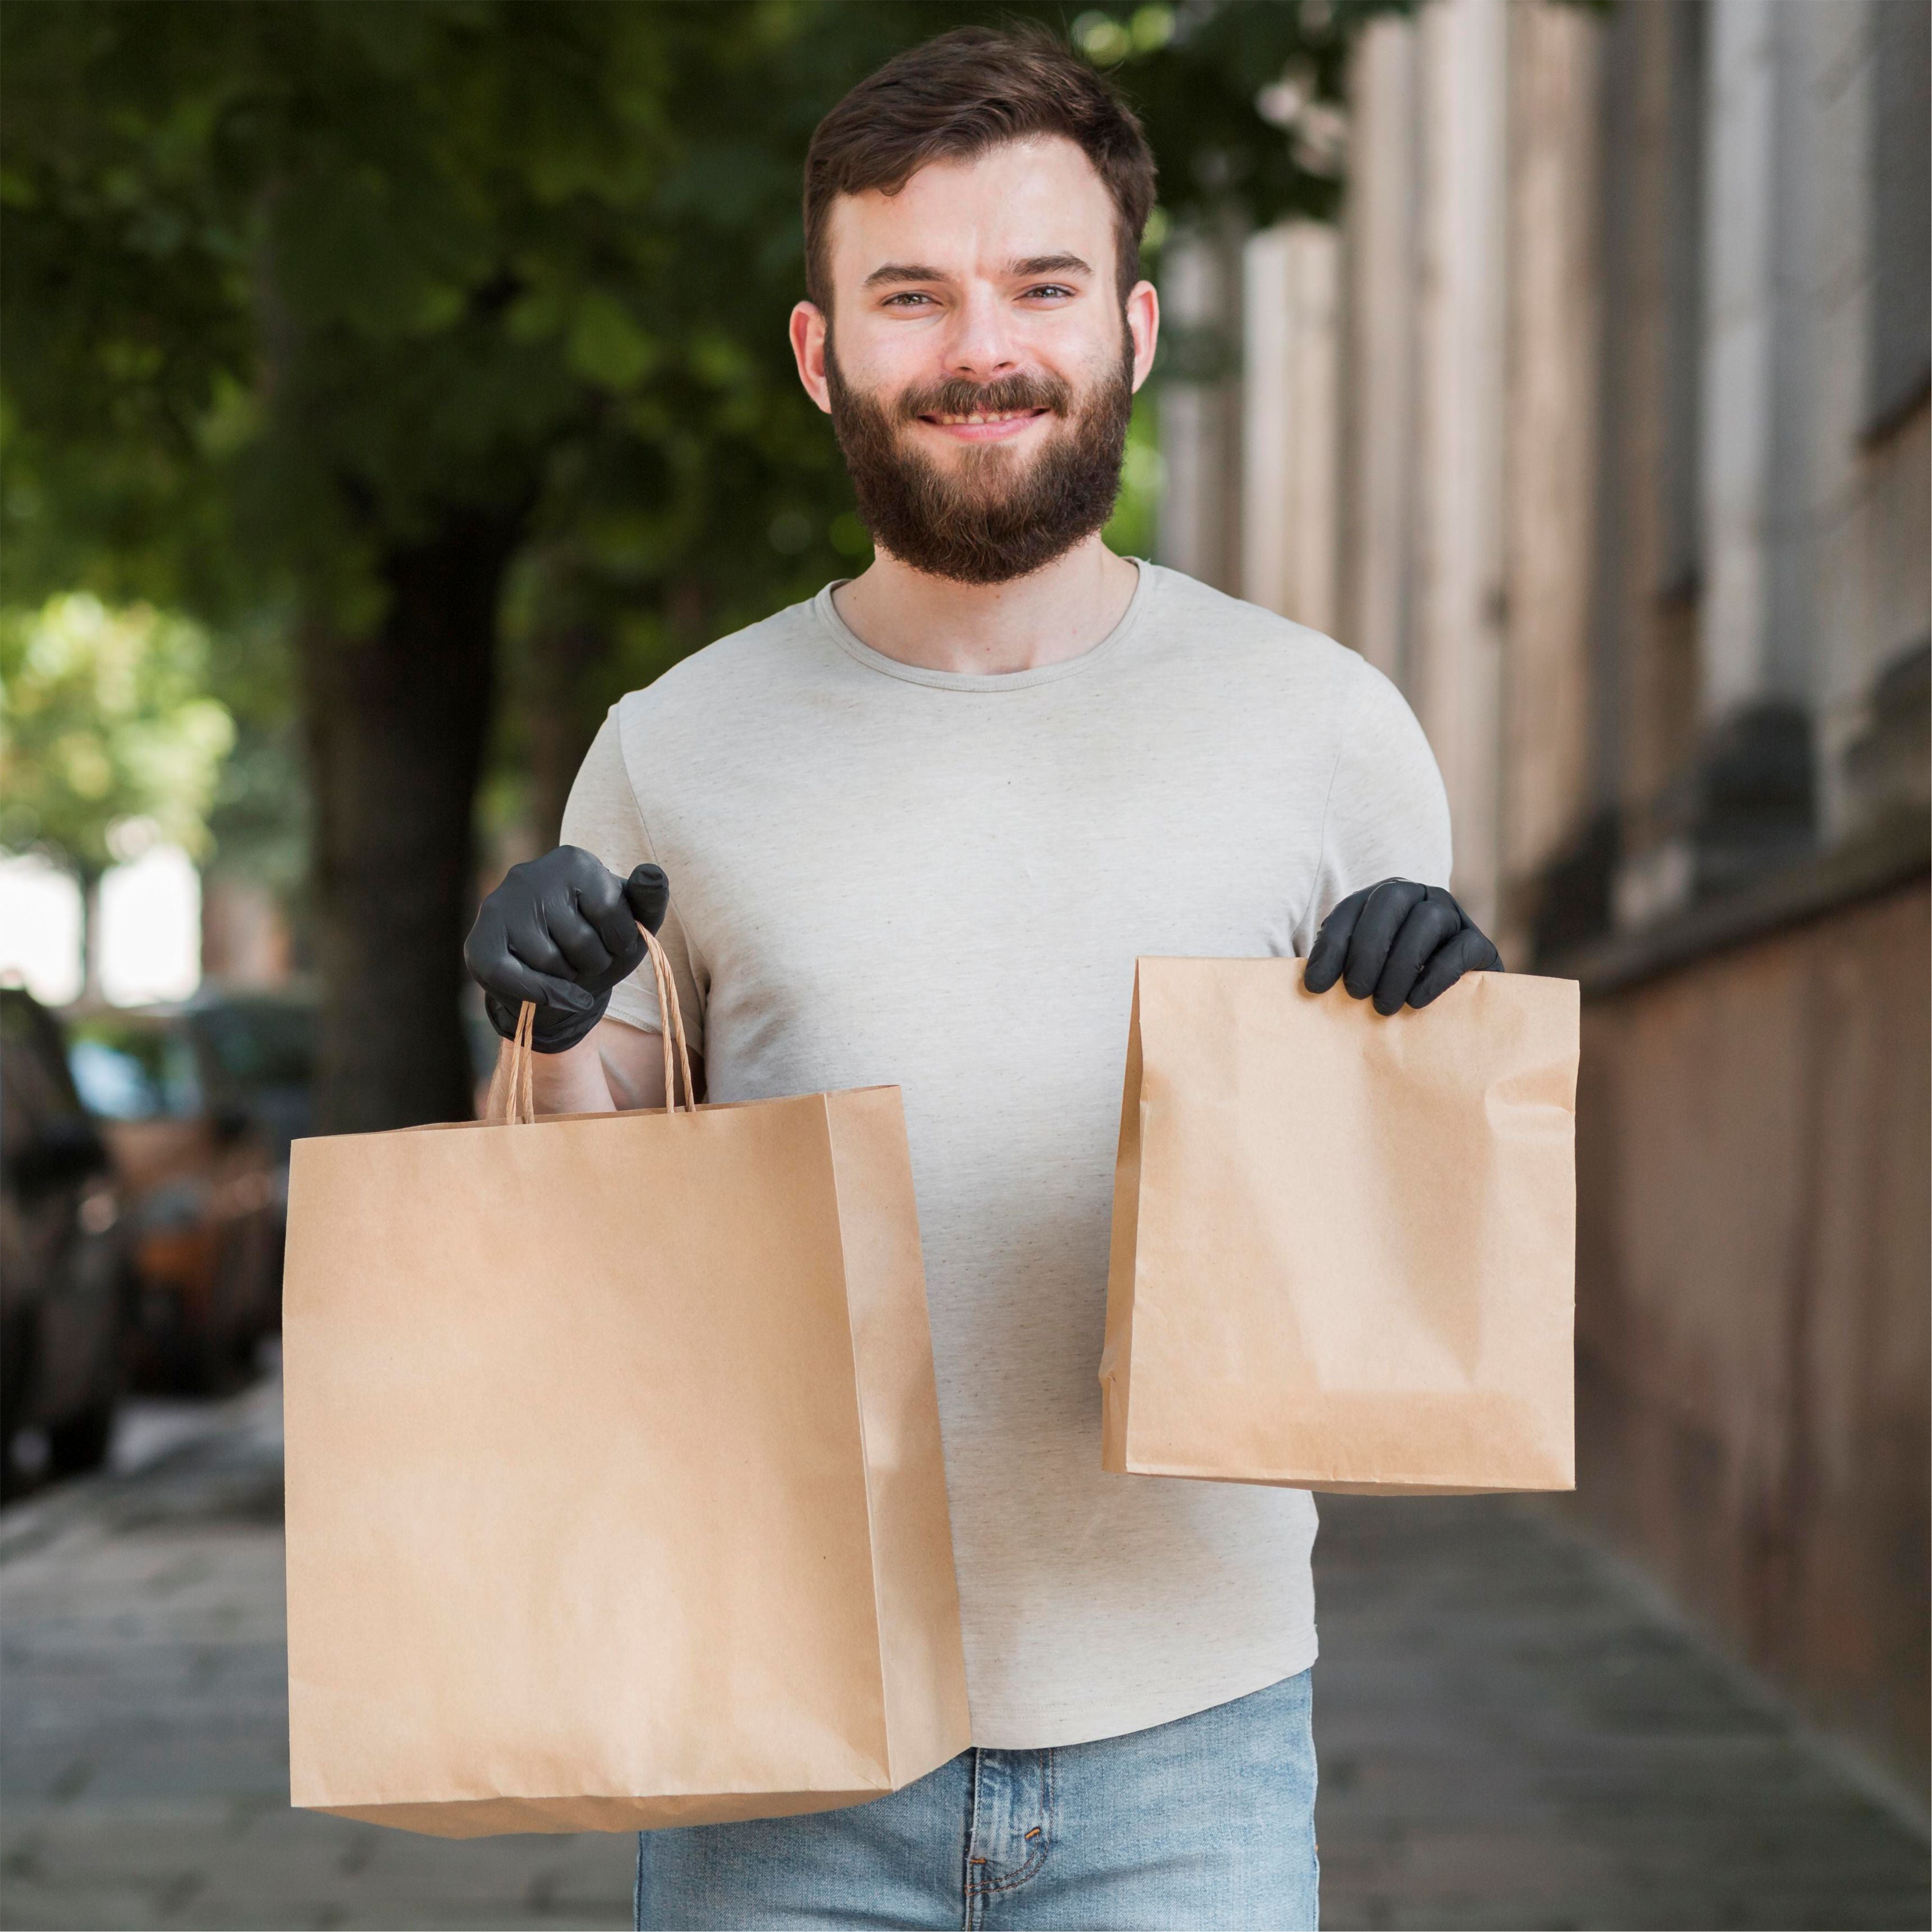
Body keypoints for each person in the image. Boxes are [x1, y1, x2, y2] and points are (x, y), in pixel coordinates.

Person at [465, 26, 1501, 1931]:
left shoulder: (1327, 731)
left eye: (1038, 283)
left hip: (1190, 1730)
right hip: (772, 1735)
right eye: (910, 295)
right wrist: (539, 1024)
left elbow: (1389, 1290)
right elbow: (573, 1253)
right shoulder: (672, 745)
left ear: (1132, 321)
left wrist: (1435, 1059)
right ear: (819, 351)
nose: (981, 346)